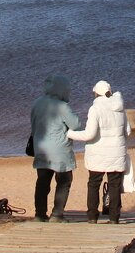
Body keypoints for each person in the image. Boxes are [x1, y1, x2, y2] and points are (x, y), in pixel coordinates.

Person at [67, 79, 129, 224]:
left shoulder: (95, 109)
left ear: (96, 94)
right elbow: (127, 131)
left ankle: (93, 217)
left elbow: (89, 134)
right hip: (117, 153)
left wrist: (69, 134)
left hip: (98, 154)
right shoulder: (120, 108)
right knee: (114, 185)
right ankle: (114, 218)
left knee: (94, 183)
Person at [30, 74, 81, 222]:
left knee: (42, 182)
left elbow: (33, 124)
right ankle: (57, 214)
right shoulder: (61, 106)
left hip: (41, 149)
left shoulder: (37, 103)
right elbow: (76, 125)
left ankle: (40, 214)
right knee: (64, 181)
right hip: (59, 151)